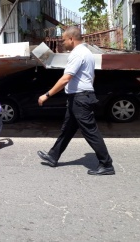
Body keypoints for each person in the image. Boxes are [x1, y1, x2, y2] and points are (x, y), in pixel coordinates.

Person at [37, 26, 115, 175]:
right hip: (78, 97)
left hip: (80, 98)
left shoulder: (78, 53)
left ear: (72, 39)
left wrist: (46, 95)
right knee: (67, 129)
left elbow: (66, 78)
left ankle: (106, 164)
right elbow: (92, 77)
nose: (62, 42)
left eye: (64, 40)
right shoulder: (87, 53)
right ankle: (53, 156)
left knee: (90, 132)